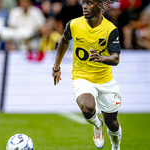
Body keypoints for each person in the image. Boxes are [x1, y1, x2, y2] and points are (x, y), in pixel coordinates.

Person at [52, 0, 122, 150]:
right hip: (81, 76)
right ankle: (97, 124)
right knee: (87, 108)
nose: (84, 6)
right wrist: (56, 67)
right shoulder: (74, 24)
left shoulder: (110, 29)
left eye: (89, 3)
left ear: (99, 6)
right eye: (84, 2)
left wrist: (102, 58)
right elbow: (64, 40)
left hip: (105, 80)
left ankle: (116, 147)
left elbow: (115, 58)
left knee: (113, 123)